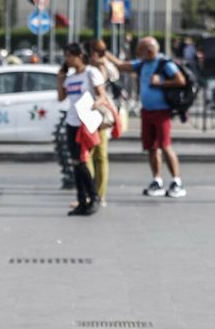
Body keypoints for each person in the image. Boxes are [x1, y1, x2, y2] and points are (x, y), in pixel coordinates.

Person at [104, 37, 187, 198]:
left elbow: (180, 80)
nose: (138, 54)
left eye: (140, 50)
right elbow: (121, 66)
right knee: (151, 147)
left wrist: (160, 83)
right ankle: (157, 180)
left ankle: (176, 181)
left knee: (165, 145)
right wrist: (105, 53)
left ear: (149, 50)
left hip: (162, 112)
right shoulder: (142, 64)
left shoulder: (164, 64)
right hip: (147, 111)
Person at [58, 44, 107, 217]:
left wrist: (96, 103)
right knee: (75, 163)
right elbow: (61, 98)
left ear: (79, 56)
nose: (67, 60)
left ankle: (94, 198)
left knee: (82, 161)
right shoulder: (70, 78)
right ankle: (81, 200)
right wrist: (60, 78)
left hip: (86, 122)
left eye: (70, 56)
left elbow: (102, 95)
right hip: (72, 121)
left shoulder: (91, 72)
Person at [89, 41, 120, 206]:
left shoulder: (104, 67)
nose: (96, 56)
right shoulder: (86, 68)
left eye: (100, 52)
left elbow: (115, 75)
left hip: (101, 114)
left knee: (100, 154)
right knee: (89, 154)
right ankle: (90, 191)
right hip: (87, 111)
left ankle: (99, 194)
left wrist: (104, 62)